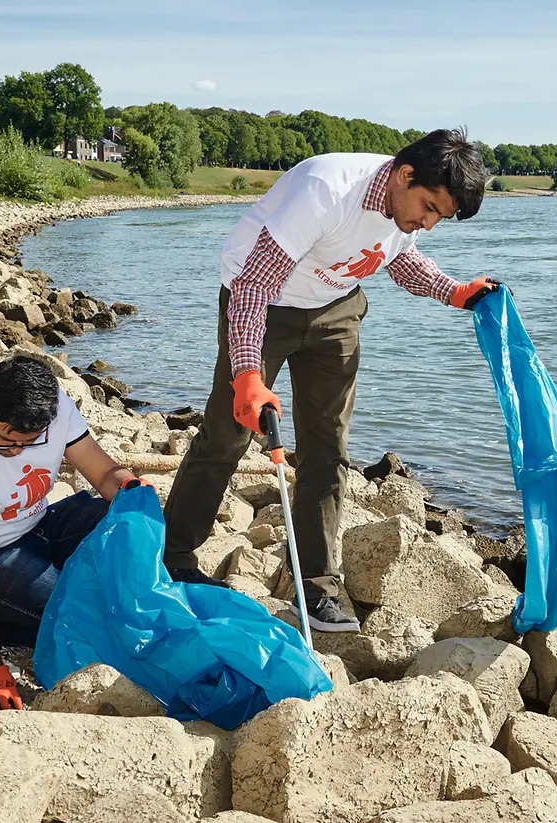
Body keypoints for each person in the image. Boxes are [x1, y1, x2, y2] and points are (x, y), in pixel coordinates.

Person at [162, 129, 499, 632]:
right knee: (227, 436)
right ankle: (174, 560)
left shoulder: (405, 204)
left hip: (335, 309)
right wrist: (249, 377)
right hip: (262, 304)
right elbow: (255, 285)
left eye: (439, 217)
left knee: (327, 449)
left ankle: (318, 587)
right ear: (404, 175)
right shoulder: (325, 189)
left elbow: (396, 258)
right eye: (428, 207)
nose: (427, 224)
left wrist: (454, 292)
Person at [0, 356, 154, 711]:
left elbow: (104, 475)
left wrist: (132, 488)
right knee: (78, 611)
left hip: (38, 524)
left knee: (127, 520)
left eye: (29, 443)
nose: (15, 451)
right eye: (6, 440)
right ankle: (1, 626)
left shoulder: (53, 407)